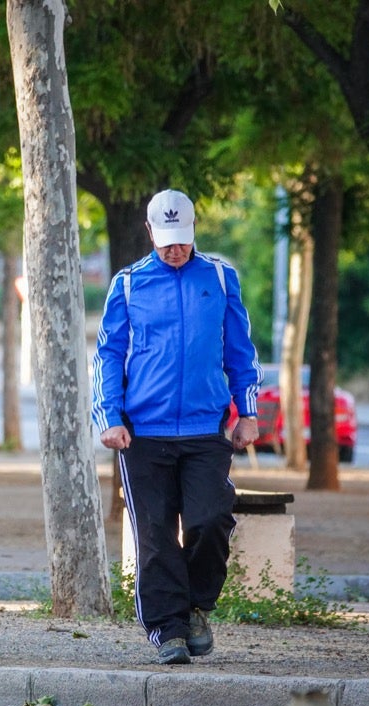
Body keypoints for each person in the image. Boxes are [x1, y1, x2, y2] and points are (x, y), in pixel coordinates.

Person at [91, 189, 263, 665]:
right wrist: (109, 416)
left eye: (182, 240)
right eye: (166, 240)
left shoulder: (221, 278)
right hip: (143, 433)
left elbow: (241, 351)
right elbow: (107, 353)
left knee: (211, 520)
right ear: (150, 232)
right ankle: (168, 630)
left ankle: (194, 607)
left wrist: (247, 412)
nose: (175, 249)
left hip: (206, 429)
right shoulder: (128, 284)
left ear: (193, 230)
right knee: (155, 535)